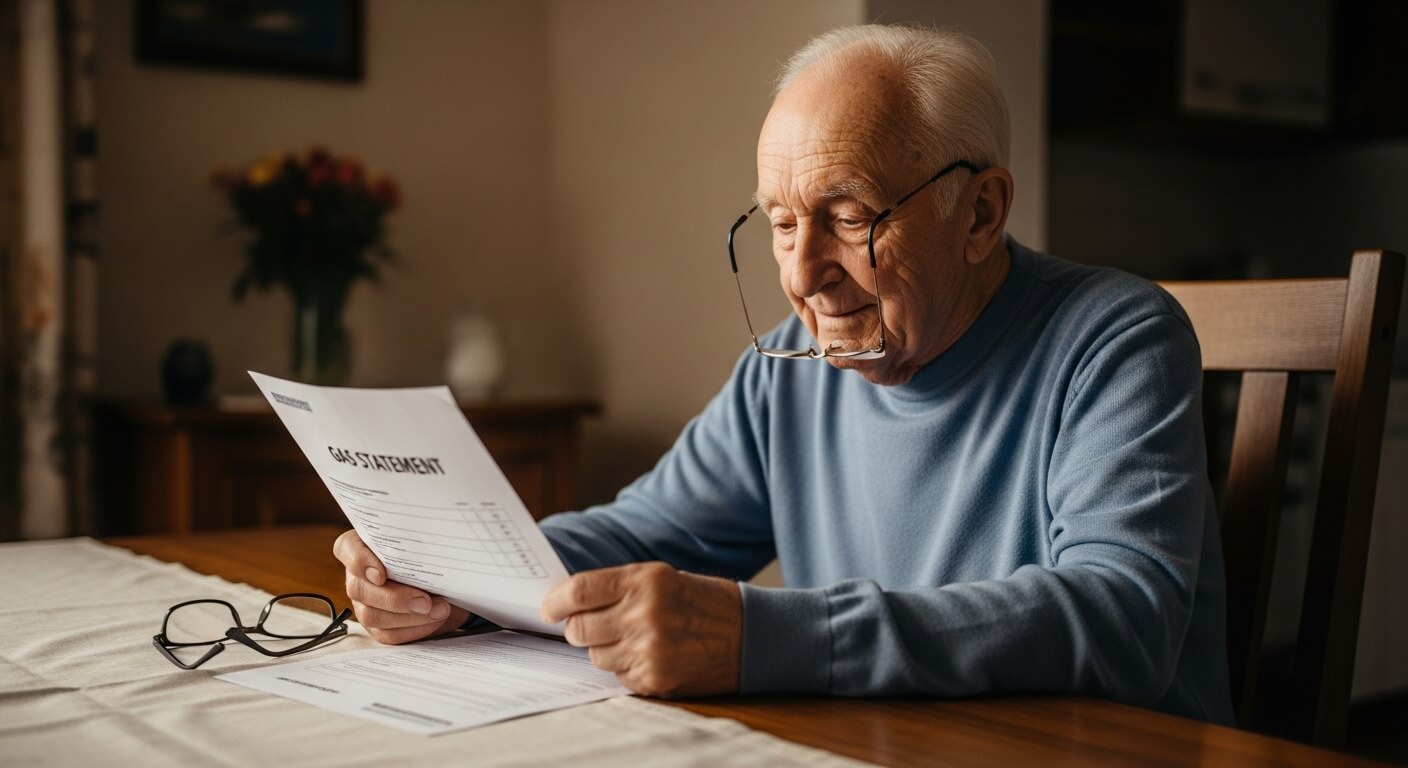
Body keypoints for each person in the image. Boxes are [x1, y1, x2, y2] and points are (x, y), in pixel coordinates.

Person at [334, 24, 1234, 724]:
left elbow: (1125, 618)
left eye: (847, 217)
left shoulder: (1116, 338)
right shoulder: (790, 370)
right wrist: (459, 577)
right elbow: (650, 530)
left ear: (980, 211)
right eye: (779, 223)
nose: (803, 275)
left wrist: (766, 637)